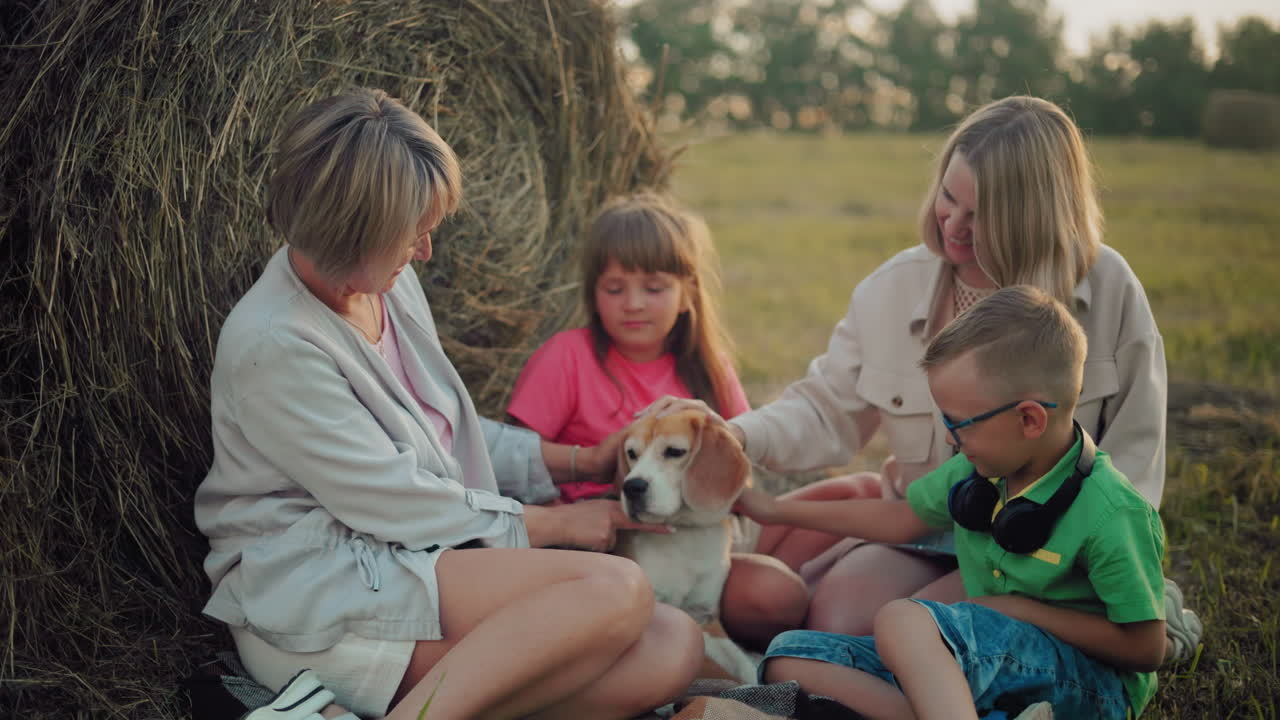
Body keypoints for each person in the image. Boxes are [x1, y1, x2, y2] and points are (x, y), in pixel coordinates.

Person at [193, 88, 702, 720]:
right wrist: (544, 524)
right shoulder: (275, 343)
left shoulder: (388, 287)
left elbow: (441, 438)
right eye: (413, 234)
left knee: (675, 642)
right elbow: (392, 498)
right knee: (618, 588)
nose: (426, 251)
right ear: (354, 233)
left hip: (421, 561)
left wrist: (581, 462)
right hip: (324, 591)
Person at [648, 95, 1184, 647]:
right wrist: (736, 431)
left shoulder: (1109, 289)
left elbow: (1137, 459)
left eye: (981, 215)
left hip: (1046, 550)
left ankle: (1148, 614)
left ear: (1033, 218)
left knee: (939, 635)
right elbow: (824, 408)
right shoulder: (892, 288)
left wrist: (1092, 567)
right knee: (840, 621)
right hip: (923, 529)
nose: (953, 223)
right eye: (948, 198)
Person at [742, 285, 1167, 719]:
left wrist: (1020, 609)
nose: (949, 436)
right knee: (788, 657)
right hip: (979, 661)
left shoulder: (1111, 510)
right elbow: (901, 518)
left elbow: (1147, 648)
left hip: (1093, 684)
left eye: (959, 422)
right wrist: (771, 510)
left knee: (901, 620)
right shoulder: (980, 472)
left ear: (1029, 419)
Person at [506, 191, 751, 504]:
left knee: (813, 513)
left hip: (693, 528)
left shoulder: (711, 367)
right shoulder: (567, 356)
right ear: (593, 294)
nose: (633, 304)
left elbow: (745, 458)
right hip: (587, 530)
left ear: (688, 294)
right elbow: (518, 456)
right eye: (615, 289)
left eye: (653, 288)